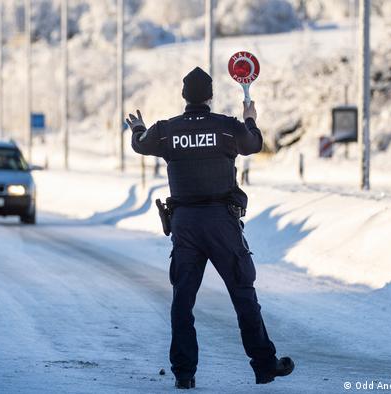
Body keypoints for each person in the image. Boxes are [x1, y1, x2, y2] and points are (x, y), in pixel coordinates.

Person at [126, 67, 294, 389]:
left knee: (183, 302)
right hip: (222, 224)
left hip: (185, 226)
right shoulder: (227, 128)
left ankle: (184, 374)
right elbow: (254, 143)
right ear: (211, 96)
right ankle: (264, 366)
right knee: (243, 294)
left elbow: (141, 145)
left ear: (184, 96)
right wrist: (249, 117)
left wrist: (138, 129)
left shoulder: (167, 131)